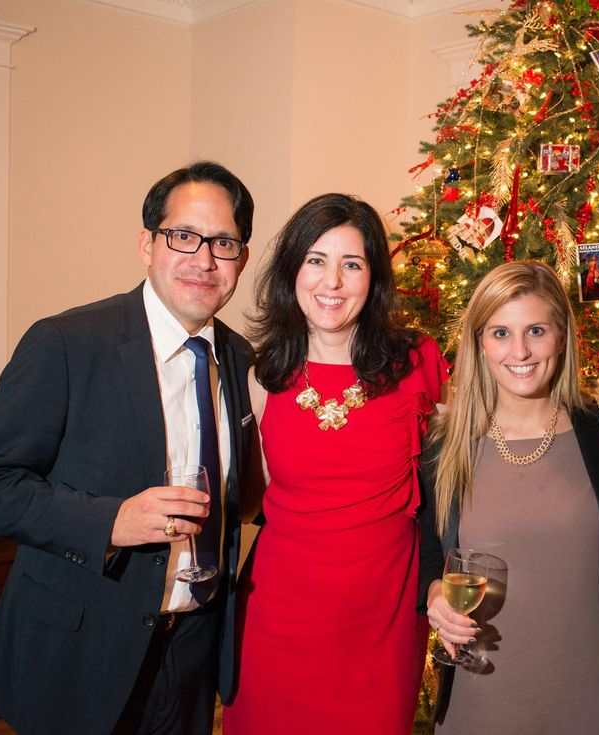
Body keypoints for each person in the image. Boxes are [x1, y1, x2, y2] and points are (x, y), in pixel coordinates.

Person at [0, 161, 257, 735]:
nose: (204, 259)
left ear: (242, 259)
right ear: (147, 244)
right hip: (78, 651)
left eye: (224, 243)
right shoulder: (66, 343)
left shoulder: (241, 360)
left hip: (191, 654)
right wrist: (110, 519)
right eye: (184, 235)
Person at [223, 193, 448, 735]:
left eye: (352, 264)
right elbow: (252, 498)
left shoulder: (418, 362)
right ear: (292, 271)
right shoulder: (261, 377)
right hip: (278, 617)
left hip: (382, 622)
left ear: (373, 279)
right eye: (316, 261)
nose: (333, 282)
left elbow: (461, 475)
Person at [419, 260, 599, 734]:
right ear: (479, 343)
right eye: (500, 332)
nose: (519, 350)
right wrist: (436, 593)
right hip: (483, 701)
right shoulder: (447, 442)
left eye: (536, 330)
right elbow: (429, 556)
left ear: (561, 336)